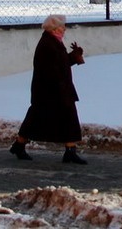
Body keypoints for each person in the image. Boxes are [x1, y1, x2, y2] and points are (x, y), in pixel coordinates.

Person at [10, 14, 88, 164]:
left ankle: (69, 151)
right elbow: (50, 68)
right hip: (50, 90)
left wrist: (73, 56)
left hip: (56, 89)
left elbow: (60, 63)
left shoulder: (53, 41)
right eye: (62, 26)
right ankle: (19, 145)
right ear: (54, 28)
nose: (64, 29)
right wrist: (69, 61)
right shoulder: (47, 44)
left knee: (67, 117)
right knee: (37, 118)